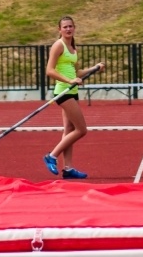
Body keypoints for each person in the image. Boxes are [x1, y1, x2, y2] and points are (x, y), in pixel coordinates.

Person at [42, 16, 105, 179]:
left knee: (69, 130)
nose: (68, 29)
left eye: (70, 26)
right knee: (82, 130)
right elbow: (49, 71)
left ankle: (68, 169)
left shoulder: (72, 48)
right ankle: (52, 156)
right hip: (63, 91)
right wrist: (69, 80)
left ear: (74, 28)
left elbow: (76, 73)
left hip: (72, 91)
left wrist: (94, 68)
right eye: (65, 27)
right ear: (59, 30)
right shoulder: (58, 45)